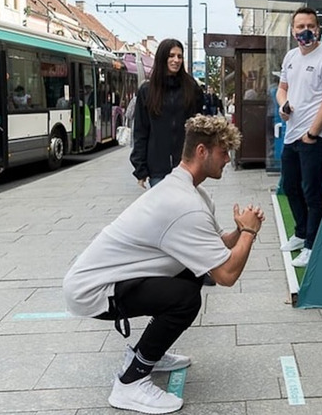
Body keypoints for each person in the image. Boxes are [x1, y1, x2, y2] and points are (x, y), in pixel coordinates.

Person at [62, 114, 263, 414]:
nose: (227, 159)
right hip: (92, 291)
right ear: (201, 152)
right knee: (185, 298)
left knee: (192, 276)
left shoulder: (191, 191)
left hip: (113, 279)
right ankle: (131, 382)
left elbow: (213, 248)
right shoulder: (184, 204)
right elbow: (226, 274)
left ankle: (148, 354)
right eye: (224, 152)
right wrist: (248, 232)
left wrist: (236, 232)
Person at [276, 6, 322, 267]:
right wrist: (283, 105)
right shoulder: (291, 57)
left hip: (314, 137)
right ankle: (301, 233)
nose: (305, 31)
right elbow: (283, 89)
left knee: (311, 191)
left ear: (318, 28)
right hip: (292, 135)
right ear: (293, 31)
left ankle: (313, 246)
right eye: (300, 27)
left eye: (310, 26)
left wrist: (312, 134)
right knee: (290, 187)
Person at [131, 38, 204, 189]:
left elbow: (198, 127)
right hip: (157, 167)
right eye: (171, 56)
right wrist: (140, 169)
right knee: (163, 211)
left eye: (179, 56)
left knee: (184, 210)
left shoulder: (191, 88)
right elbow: (141, 131)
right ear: (162, 57)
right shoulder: (147, 91)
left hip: (186, 165)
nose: (176, 60)